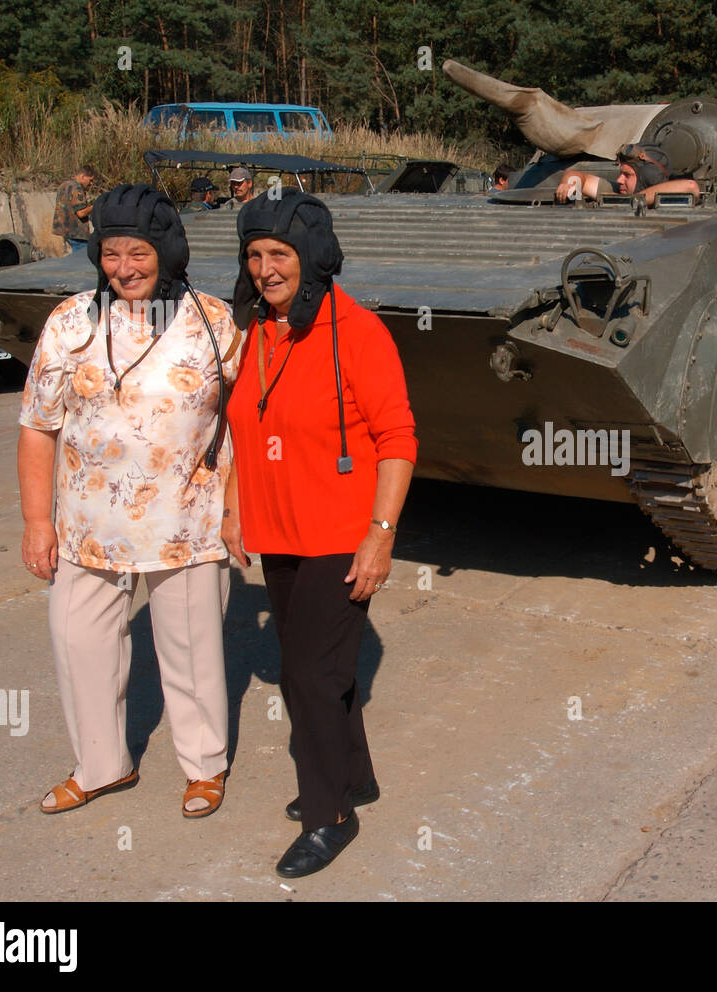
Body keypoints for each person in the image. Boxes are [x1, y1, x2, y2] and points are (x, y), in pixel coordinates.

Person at [18, 184, 241, 819]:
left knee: (192, 651)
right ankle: (100, 766)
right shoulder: (69, 322)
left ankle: (204, 768)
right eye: (111, 253)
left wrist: (236, 508)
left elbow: (246, 422)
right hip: (87, 524)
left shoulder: (212, 320)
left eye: (138, 252)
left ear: (166, 250)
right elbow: (38, 424)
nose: (124, 268)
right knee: (79, 644)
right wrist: (38, 521)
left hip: (185, 521)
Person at [223, 189, 416, 878]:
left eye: (280, 255)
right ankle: (353, 775)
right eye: (254, 255)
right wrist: (232, 505)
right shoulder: (254, 331)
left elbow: (397, 438)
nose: (265, 269)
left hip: (340, 534)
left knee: (308, 674)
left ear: (312, 259)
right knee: (321, 671)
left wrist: (381, 535)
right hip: (280, 533)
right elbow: (244, 427)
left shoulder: (358, 333)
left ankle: (330, 812)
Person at [554, 143, 699, 205]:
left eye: (627, 175)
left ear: (648, 177)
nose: (619, 180)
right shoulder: (616, 192)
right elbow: (578, 176)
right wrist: (568, 183)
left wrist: (634, 200)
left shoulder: (669, 198)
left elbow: (690, 186)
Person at [53, 165, 98, 253]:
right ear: (83, 176)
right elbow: (80, 213)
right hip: (76, 234)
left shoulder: (64, 185)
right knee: (81, 261)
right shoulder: (77, 188)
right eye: (90, 180)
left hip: (64, 230)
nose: (91, 183)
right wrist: (95, 206)